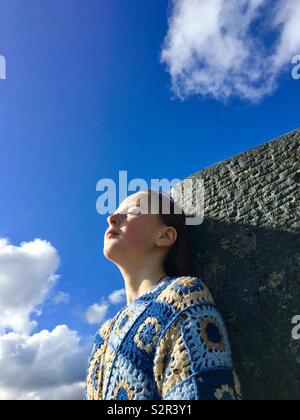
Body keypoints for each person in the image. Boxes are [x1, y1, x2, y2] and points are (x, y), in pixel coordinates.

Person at [86, 188, 242, 400]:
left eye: (133, 210)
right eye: (115, 212)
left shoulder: (183, 296)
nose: (112, 218)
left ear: (165, 235)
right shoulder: (103, 334)